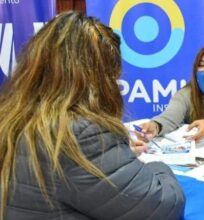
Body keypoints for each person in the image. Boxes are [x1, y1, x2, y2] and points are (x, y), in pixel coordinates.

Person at [0, 11, 185, 220]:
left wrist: (116, 157)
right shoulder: (81, 133)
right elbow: (162, 205)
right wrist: (158, 167)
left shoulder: (12, 117)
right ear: (100, 76)